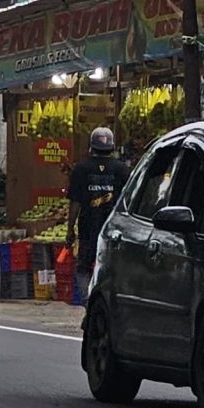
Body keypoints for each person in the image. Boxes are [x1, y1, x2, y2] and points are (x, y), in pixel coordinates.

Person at [66, 126, 131, 302]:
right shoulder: (122, 170)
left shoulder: (80, 169)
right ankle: (111, 301)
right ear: (112, 147)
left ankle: (89, 302)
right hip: (115, 230)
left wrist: (70, 230)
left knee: (83, 268)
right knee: (113, 268)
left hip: (88, 228)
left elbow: (75, 203)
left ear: (91, 147)